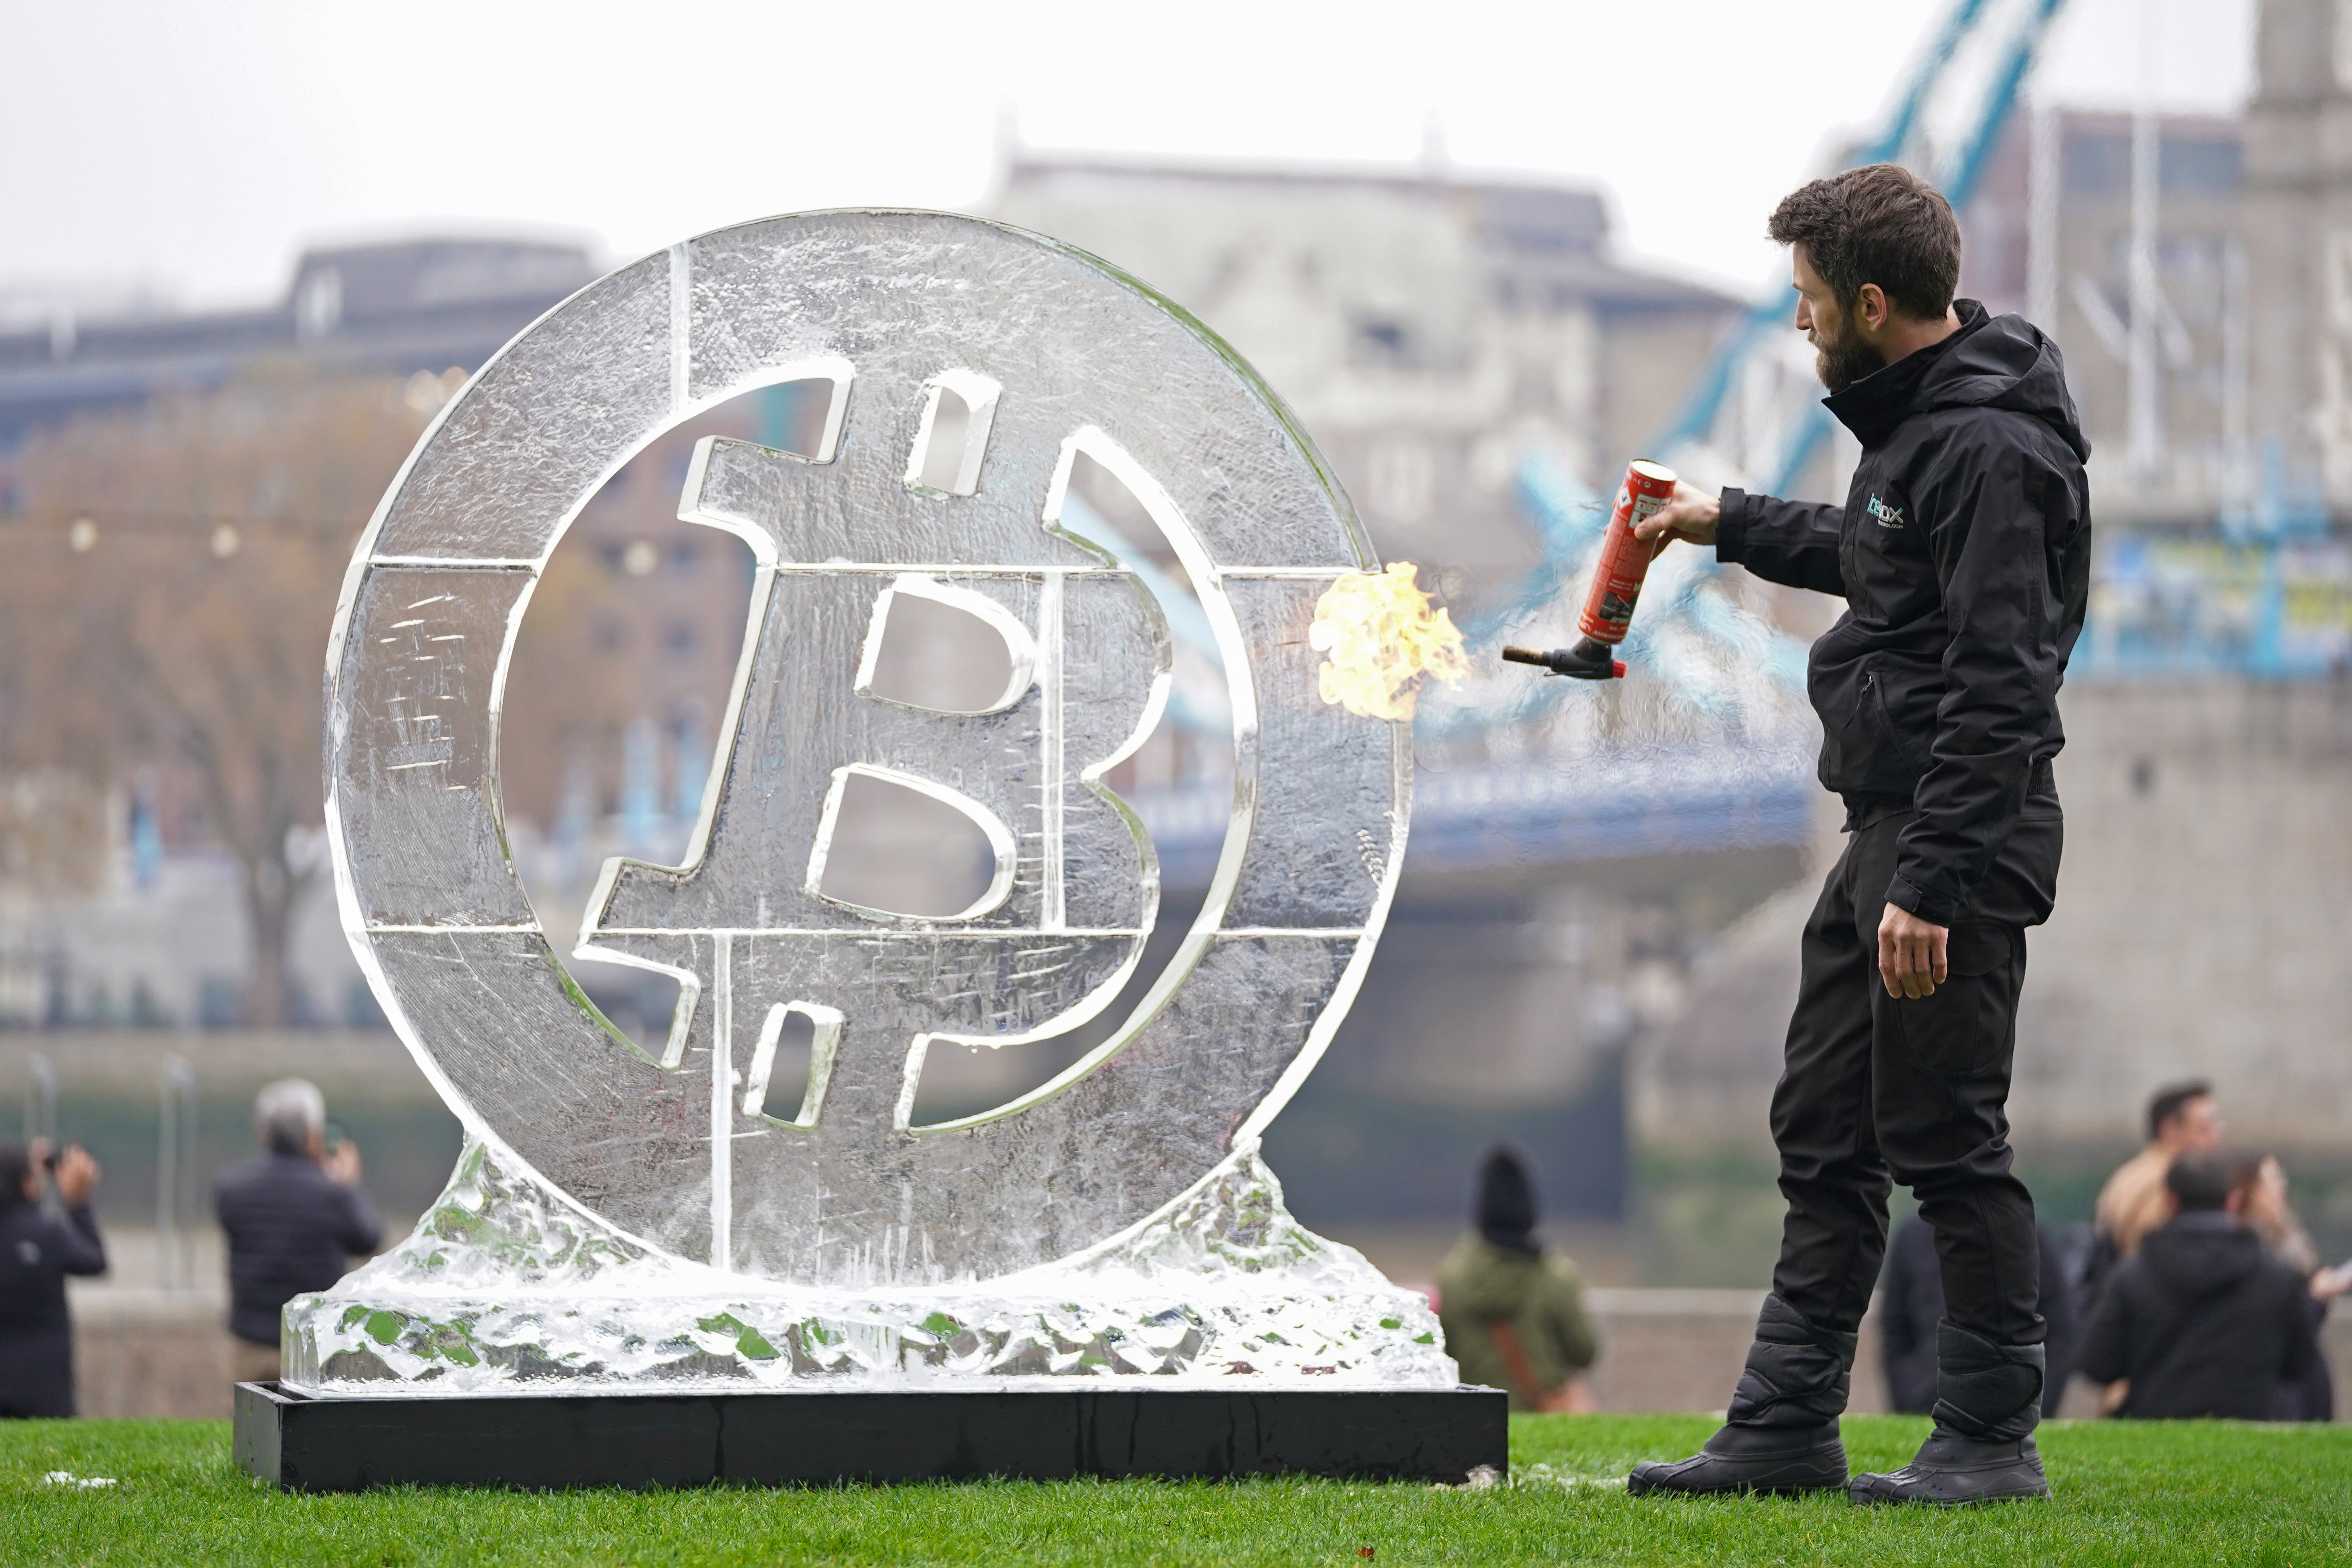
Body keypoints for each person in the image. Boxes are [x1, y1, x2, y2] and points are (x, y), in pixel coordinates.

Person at [1623, 163, 2090, 1507]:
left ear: (1871, 302)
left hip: (1955, 837)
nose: (1798, 326)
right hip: (1883, 827)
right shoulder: (1924, 427)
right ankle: (1783, 1424)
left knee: (1946, 1134)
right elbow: (1879, 551)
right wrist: (1725, 521)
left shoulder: (1992, 446)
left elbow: (2004, 684)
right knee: (1824, 1129)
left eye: (1809, 302)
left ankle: (1990, 1438)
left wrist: (1935, 883)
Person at [2076, 1154, 2318, 1419]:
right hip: (2252, 1421)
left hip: (2154, 1422)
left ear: (2170, 1202)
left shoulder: (2133, 1274)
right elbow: (2300, 1364)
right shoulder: (2279, 1277)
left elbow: (2096, 1363)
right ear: (2232, 1201)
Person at [213, 1079, 381, 1384]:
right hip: (315, 1344)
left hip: (252, 1342)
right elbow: (368, 1239)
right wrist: (348, 1187)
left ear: (262, 1131)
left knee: (251, 1429)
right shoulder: (335, 1196)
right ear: (314, 1136)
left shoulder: (231, 1190)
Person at [1435, 1149, 1597, 1412]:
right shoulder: (1555, 1275)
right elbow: (1584, 1351)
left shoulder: (1452, 1276)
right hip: (1542, 1415)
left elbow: (1442, 1357)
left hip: (1474, 1418)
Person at [1878, 1214, 2079, 1419]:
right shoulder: (1912, 1236)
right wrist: (1906, 1395)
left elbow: (2060, 1329)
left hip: (2008, 1398)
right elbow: (1895, 1324)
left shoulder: (2030, 1234)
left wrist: (2039, 1405)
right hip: (1926, 1397)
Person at [2229, 1154, 2343, 1421]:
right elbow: (2274, 1324)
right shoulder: (2250, 1247)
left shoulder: (2287, 1236)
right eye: (2272, 1179)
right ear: (2249, 1191)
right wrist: (2315, 1297)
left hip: (2303, 1371)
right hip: (2275, 1381)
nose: (2282, 1184)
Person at [0, 1139, 108, 1417]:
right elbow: (95, 1261)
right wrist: (77, 1201)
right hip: (45, 1390)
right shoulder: (47, 1233)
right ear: (26, 1183)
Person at [2091, 1081, 2223, 1272]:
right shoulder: (2165, 1182)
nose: (2217, 1136)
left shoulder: (2130, 1173)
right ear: (2170, 1129)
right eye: (2205, 1128)